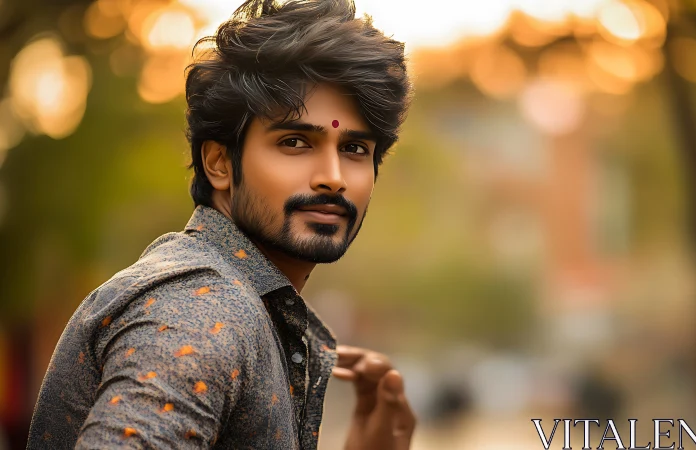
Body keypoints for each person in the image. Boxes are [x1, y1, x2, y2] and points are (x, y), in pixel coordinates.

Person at [27, 0, 415, 448]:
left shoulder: (244, 306)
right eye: (294, 141)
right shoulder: (202, 311)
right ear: (219, 163)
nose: (332, 176)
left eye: (354, 150)